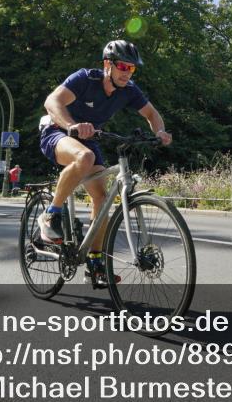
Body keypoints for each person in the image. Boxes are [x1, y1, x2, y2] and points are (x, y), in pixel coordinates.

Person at [37, 40, 172, 287]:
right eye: (122, 66)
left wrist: (160, 132)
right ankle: (50, 215)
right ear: (107, 64)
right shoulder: (85, 79)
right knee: (85, 158)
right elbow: (52, 102)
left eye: (131, 68)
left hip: (90, 139)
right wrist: (71, 126)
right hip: (57, 131)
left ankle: (95, 263)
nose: (126, 72)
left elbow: (152, 114)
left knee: (102, 198)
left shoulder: (129, 90)